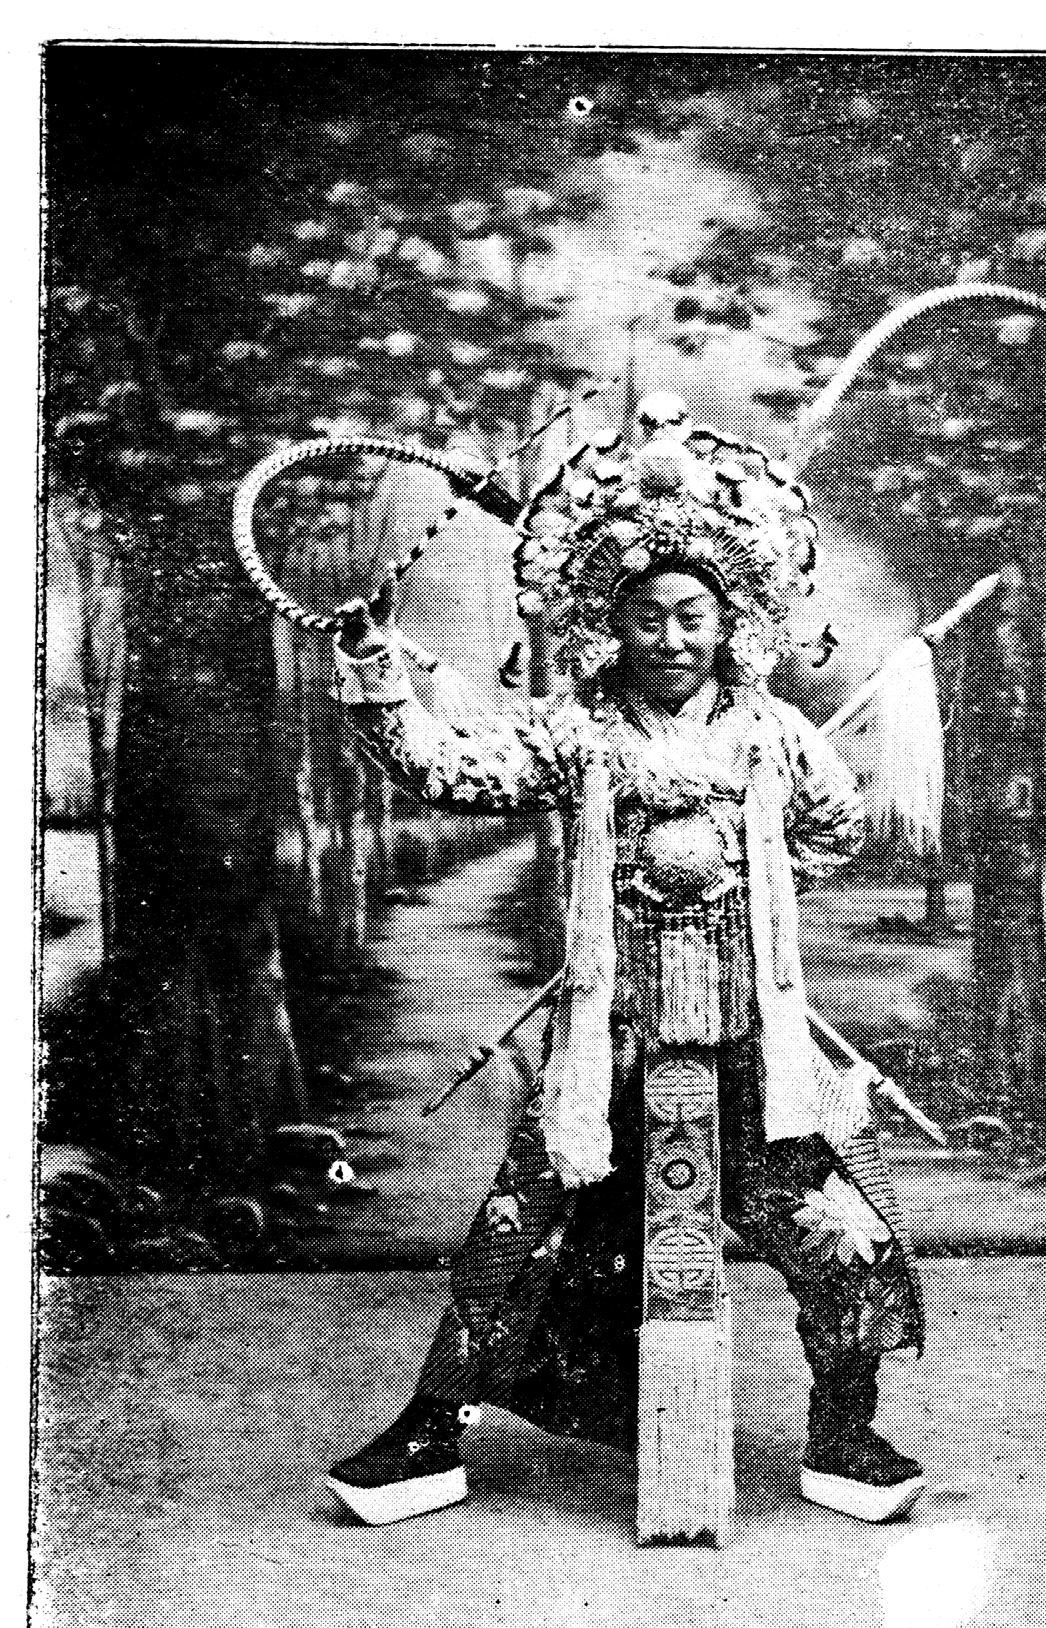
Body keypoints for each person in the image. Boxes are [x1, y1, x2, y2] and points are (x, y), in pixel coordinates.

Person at [326, 394, 927, 1528]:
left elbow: (836, 826)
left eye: (692, 615)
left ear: (730, 620)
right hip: (607, 1048)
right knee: (512, 1235)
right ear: (613, 626)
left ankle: (844, 1428)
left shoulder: (774, 734)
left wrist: (760, 899)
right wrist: (374, 669)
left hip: (752, 1053)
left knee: (840, 1238)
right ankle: (429, 1433)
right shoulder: (577, 730)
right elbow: (449, 769)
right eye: (646, 616)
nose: (670, 637)